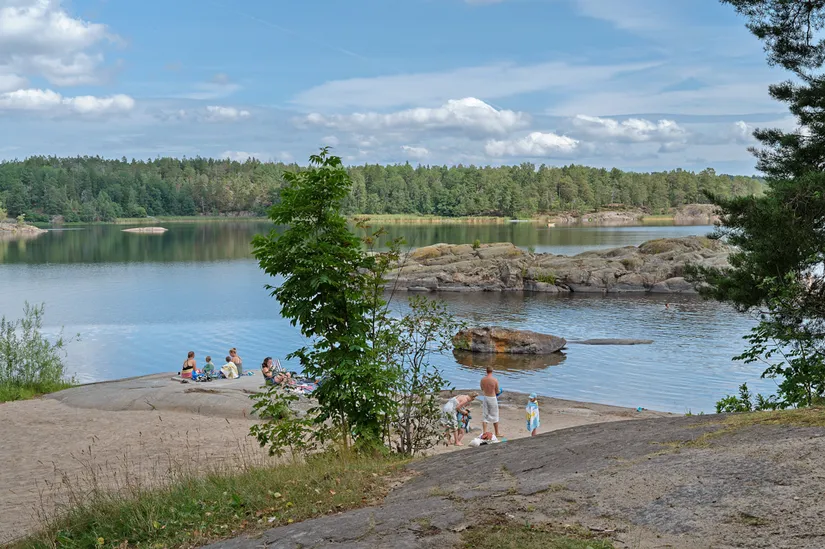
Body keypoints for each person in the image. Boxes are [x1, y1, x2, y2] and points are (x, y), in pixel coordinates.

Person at [480, 366, 501, 437]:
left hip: (486, 397)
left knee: (485, 414)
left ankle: (484, 432)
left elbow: (482, 388)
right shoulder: (495, 380)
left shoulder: (483, 380)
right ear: (492, 371)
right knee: (495, 415)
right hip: (492, 398)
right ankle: (497, 432)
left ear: (486, 371)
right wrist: (499, 391)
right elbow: (497, 390)